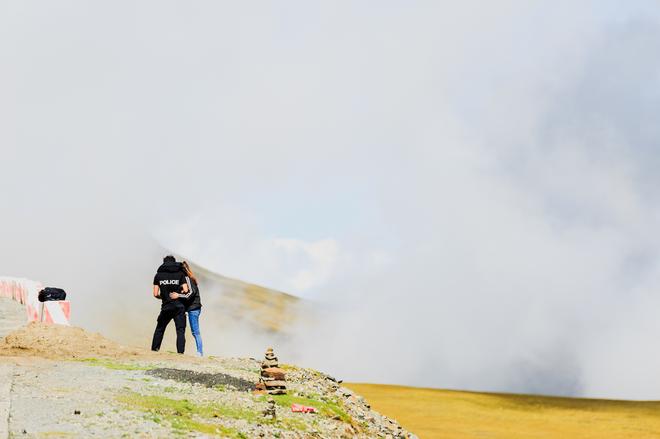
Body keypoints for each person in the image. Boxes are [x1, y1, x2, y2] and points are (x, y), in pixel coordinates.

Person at [151, 255, 188, 354]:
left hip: (166, 306)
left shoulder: (158, 275)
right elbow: (186, 290)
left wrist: (163, 297)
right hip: (179, 307)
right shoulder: (180, 274)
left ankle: (154, 350)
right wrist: (178, 295)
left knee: (160, 329)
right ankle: (180, 353)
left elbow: (155, 294)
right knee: (180, 331)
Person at [179, 261, 203, 356]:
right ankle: (199, 352)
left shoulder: (187, 279)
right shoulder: (190, 278)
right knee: (195, 332)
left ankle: (199, 352)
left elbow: (190, 293)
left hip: (193, 309)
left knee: (195, 332)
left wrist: (179, 295)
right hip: (194, 308)